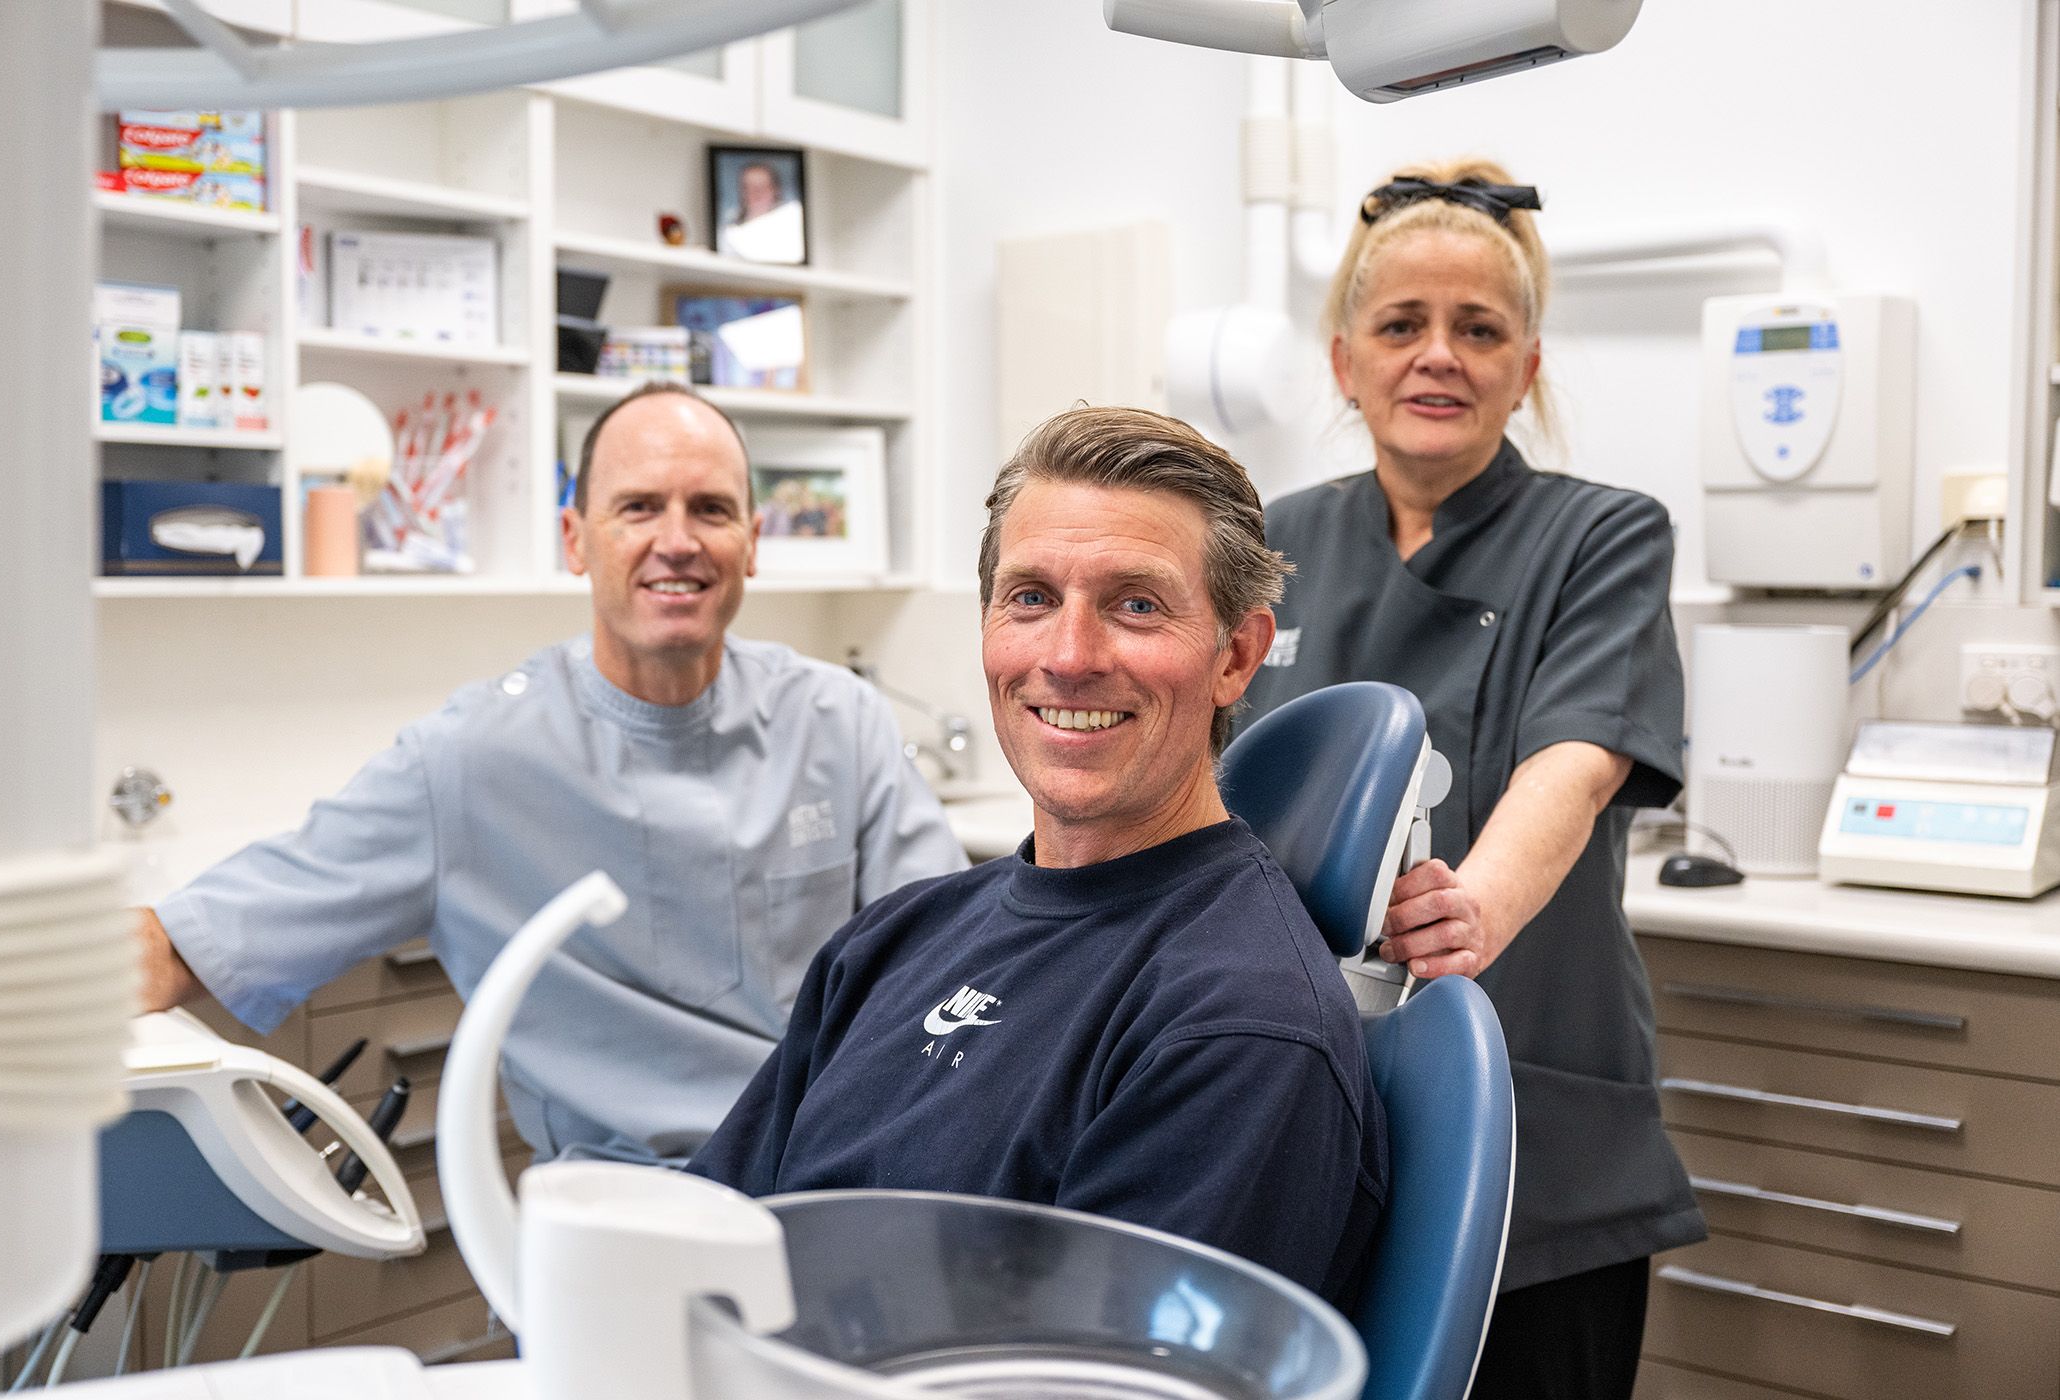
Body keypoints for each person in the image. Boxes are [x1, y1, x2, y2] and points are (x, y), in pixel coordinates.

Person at [135, 381, 967, 1164]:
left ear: (752, 543)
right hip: (620, 1211)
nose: (676, 542)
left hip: (828, 1176)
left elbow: (959, 970)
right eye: (638, 508)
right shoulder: (469, 764)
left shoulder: (838, 722)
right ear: (576, 539)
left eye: (710, 510)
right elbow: (189, 945)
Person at [689, 406, 1388, 1308]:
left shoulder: (1241, 1026)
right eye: (1032, 598)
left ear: (1236, 656)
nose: (1068, 655)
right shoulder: (895, 940)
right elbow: (708, 1239)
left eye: (1136, 605)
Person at [1235, 160, 1703, 1398]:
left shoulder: (1602, 534)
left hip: (1532, 1112)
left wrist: (1474, 906)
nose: (1438, 354)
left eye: (1478, 328)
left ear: (1527, 367)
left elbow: (1581, 758)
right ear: (1345, 361)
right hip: (1297, 1109)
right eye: (1401, 324)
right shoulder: (1270, 542)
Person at [718, 159, 805, 264]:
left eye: (763, 186)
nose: (756, 193)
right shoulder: (726, 230)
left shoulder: (792, 223)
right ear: (741, 191)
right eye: (749, 187)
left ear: (775, 190)